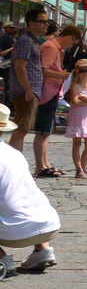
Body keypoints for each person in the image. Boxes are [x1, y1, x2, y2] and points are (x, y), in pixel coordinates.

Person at [0, 104, 60, 276]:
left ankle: (2, 259)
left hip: (15, 229)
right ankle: (43, 250)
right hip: (47, 223)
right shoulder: (13, 153)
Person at [30, 24, 75, 177]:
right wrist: (61, 75)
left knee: (46, 131)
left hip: (52, 92)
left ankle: (45, 163)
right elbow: (43, 69)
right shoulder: (50, 47)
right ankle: (40, 167)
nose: (71, 45)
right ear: (69, 37)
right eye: (73, 42)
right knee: (42, 131)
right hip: (46, 93)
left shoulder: (56, 48)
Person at [5, 8, 48, 157]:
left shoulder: (33, 41)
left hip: (31, 91)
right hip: (25, 92)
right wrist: (28, 91)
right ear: (31, 23)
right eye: (42, 21)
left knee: (23, 129)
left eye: (47, 22)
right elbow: (19, 67)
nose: (46, 24)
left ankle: (15, 161)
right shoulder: (25, 41)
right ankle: (14, 163)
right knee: (21, 129)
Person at [63, 59, 87, 179]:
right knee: (77, 142)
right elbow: (75, 101)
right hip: (78, 116)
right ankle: (78, 168)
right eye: (82, 71)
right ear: (77, 71)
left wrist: (84, 98)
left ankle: (84, 167)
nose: (85, 73)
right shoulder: (74, 85)